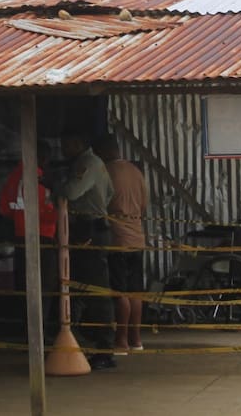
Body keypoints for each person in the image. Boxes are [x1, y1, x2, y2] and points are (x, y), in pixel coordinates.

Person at [51, 129, 116, 370]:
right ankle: (89, 339)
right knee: (81, 286)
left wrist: (54, 185)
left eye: (66, 144)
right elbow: (110, 193)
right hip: (88, 228)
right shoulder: (93, 163)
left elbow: (71, 192)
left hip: (89, 230)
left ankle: (104, 348)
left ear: (78, 143)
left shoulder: (87, 163)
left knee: (95, 288)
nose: (63, 150)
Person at [95, 134, 149, 354]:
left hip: (117, 238)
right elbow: (145, 204)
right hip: (137, 236)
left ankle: (121, 340)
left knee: (120, 291)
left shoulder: (105, 172)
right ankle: (136, 340)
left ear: (105, 152)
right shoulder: (136, 172)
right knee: (136, 291)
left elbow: (100, 204)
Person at [0, 140, 58, 333]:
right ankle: (39, 333)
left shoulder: (14, 176)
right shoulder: (41, 179)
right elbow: (51, 212)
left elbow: (4, 209)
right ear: (42, 158)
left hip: (20, 237)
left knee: (26, 287)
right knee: (44, 288)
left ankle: (28, 331)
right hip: (44, 238)